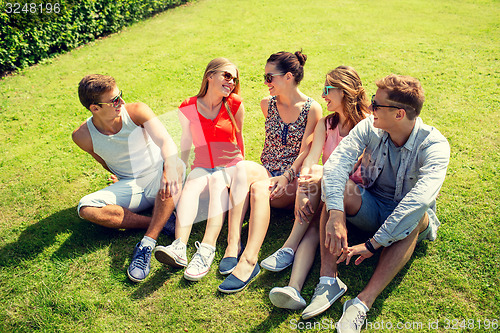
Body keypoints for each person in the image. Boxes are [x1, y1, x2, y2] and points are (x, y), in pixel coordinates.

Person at [306, 74, 450, 332]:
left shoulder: (434, 146)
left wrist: (374, 244)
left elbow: (416, 203)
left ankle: (361, 302)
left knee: (416, 215)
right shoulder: (369, 127)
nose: (370, 108)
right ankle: (329, 281)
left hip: (409, 220)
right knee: (337, 189)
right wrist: (336, 213)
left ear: (399, 114)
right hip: (372, 205)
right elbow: (336, 166)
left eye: (376, 105)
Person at [264, 66, 369, 311]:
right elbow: (310, 161)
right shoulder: (326, 123)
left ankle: (288, 247)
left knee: (324, 173)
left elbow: (346, 167)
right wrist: (301, 195)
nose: (323, 95)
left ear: (344, 91)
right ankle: (293, 287)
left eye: (327, 89)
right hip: (327, 191)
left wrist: (312, 185)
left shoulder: (366, 124)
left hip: (355, 193)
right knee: (313, 225)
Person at [217, 51, 322, 293]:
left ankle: (249, 260)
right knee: (242, 168)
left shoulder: (312, 109)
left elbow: (306, 151)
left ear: (287, 77)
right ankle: (233, 246)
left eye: (269, 77)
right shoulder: (268, 104)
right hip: (267, 171)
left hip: (292, 180)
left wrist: (286, 176)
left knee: (258, 187)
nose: (265, 83)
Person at [72, 74, 184, 283]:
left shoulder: (136, 111)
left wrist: (167, 169)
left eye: (120, 95)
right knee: (86, 208)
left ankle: (147, 243)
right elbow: (105, 161)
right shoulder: (82, 136)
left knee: (175, 164)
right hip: (130, 186)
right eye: (114, 100)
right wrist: (121, 181)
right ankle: (161, 222)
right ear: (94, 108)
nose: (121, 102)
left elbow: (167, 142)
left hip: (161, 174)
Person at [153, 58, 245, 282]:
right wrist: (181, 168)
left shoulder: (234, 103)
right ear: (209, 76)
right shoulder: (188, 106)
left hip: (230, 164)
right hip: (202, 164)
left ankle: (206, 249)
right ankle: (179, 247)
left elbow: (240, 136)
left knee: (217, 185)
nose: (231, 82)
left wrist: (242, 170)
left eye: (234, 78)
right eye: (226, 75)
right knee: (192, 186)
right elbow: (185, 140)